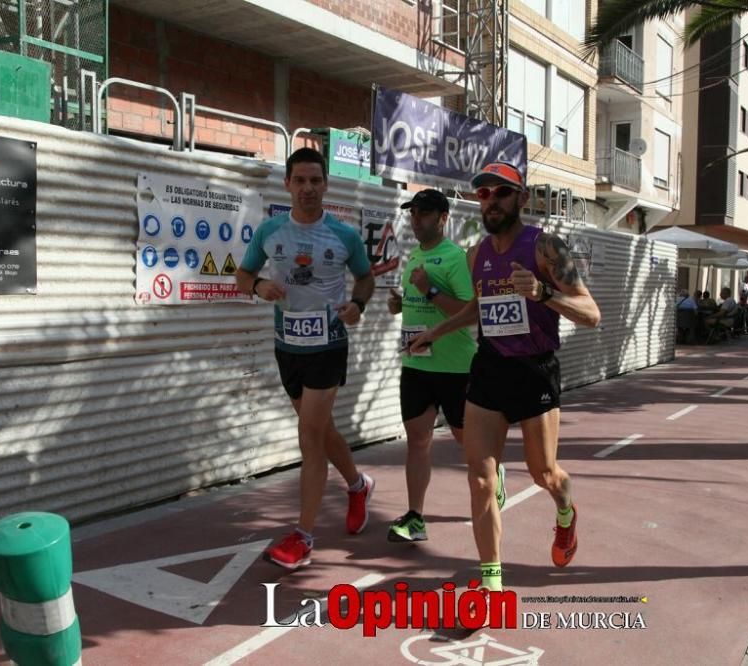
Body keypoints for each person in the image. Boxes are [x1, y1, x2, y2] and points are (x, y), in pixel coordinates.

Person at [408, 162, 601, 592]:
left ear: (522, 198)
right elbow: (477, 307)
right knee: (480, 477)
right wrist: (434, 332)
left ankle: (566, 511)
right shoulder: (476, 255)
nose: (491, 201)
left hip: (535, 370)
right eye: (483, 194)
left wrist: (543, 293)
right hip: (490, 367)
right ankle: (491, 581)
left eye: (501, 192)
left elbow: (591, 313)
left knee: (544, 473)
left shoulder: (546, 248)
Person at [235, 147, 376, 570]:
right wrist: (258, 286)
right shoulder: (270, 231)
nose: (308, 188)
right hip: (287, 347)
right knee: (320, 427)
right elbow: (242, 275)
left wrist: (357, 304)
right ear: (288, 185)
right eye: (300, 180)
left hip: (328, 346)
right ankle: (357, 484)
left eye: (316, 180)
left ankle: (303, 535)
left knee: (310, 435)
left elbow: (366, 278)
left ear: (326, 185)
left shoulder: (344, 235)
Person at [386, 189, 506, 543]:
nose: (416, 219)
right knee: (418, 441)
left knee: (469, 446)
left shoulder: (455, 258)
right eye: (413, 213)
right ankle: (415, 517)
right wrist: (400, 303)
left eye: (424, 213)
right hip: (416, 365)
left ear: (443, 218)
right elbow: (415, 303)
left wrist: (428, 292)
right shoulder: (413, 260)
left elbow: (471, 314)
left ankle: (494, 476)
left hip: (455, 369)